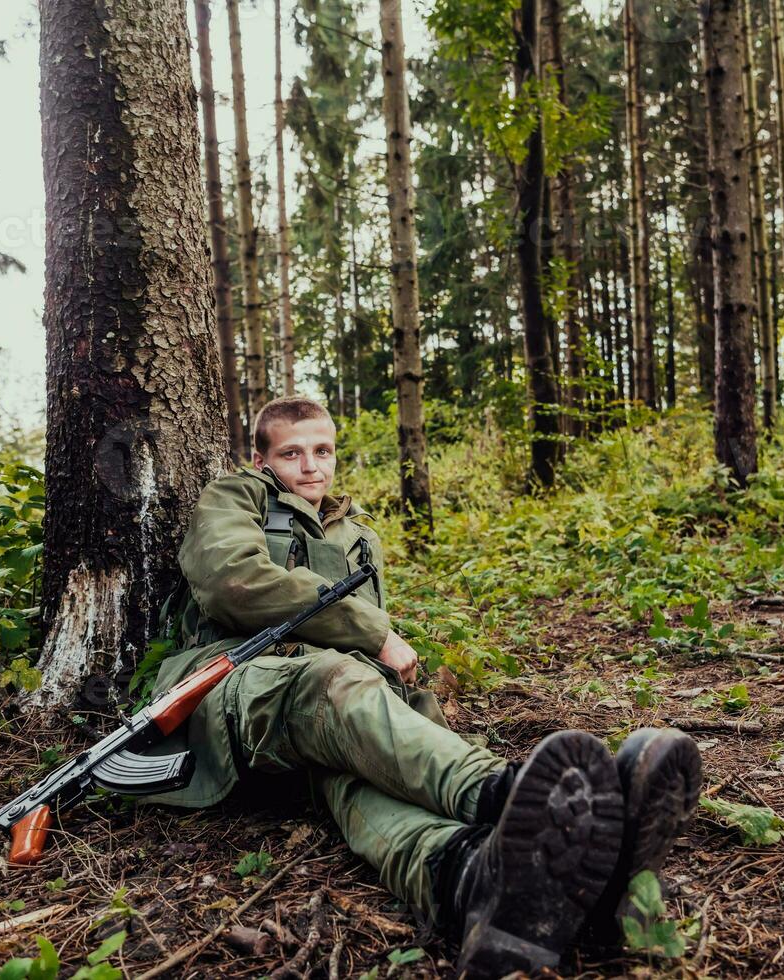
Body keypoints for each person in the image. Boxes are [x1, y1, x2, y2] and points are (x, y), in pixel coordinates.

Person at [138, 396, 701, 976]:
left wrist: (413, 711)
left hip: (336, 720)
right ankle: (510, 798)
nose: (311, 466)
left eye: (323, 450)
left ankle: (470, 879)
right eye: (291, 453)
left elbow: (374, 672)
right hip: (239, 684)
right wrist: (372, 632)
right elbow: (233, 581)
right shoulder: (238, 497)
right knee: (335, 679)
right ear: (261, 460)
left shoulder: (359, 536)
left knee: (364, 784)